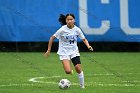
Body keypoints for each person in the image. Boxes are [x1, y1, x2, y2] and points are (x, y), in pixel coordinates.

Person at [44, 13, 93, 88]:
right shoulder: (62, 29)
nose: (70, 21)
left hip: (74, 51)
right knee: (68, 71)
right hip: (64, 52)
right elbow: (52, 38)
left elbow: (84, 39)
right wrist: (48, 50)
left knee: (78, 68)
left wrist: (88, 46)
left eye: (71, 19)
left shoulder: (77, 29)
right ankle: (70, 71)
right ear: (66, 20)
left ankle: (82, 86)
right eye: (68, 20)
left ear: (74, 20)